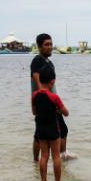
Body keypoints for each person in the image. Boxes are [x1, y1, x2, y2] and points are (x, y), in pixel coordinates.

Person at [32, 68, 69, 181]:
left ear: (40, 80)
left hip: (41, 129)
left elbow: (34, 112)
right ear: (52, 82)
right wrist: (58, 109)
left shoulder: (34, 95)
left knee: (44, 156)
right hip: (53, 129)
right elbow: (66, 113)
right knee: (56, 156)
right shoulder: (54, 97)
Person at [30, 33, 56, 162]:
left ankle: (60, 155)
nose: (50, 47)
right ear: (39, 47)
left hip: (52, 101)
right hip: (42, 102)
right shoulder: (37, 60)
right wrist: (40, 91)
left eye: (51, 44)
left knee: (61, 130)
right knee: (39, 135)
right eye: (46, 44)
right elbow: (35, 75)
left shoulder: (50, 63)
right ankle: (36, 160)